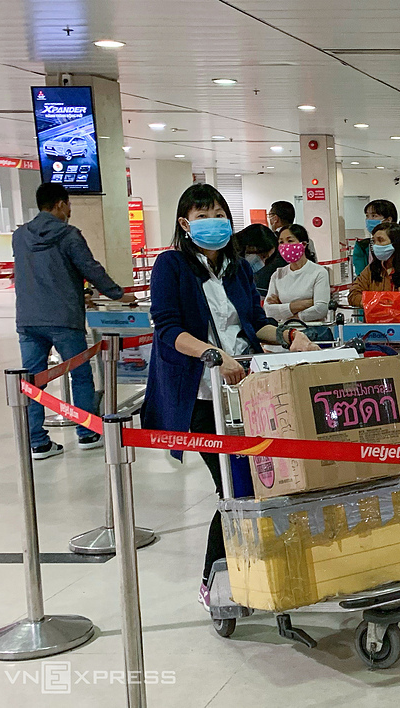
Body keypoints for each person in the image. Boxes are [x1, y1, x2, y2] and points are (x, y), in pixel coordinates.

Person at [141, 183, 317, 606]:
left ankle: (262, 566)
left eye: (219, 214)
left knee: (267, 480)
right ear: (185, 224)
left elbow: (255, 322)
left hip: (248, 391)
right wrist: (213, 354)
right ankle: (214, 581)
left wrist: (289, 335)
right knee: (235, 486)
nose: (213, 223)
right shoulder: (171, 265)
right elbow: (167, 329)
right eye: (202, 216)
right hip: (201, 395)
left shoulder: (236, 268)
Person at [14, 182, 137, 459]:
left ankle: (37, 442)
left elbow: (38, 274)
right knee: (80, 376)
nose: (69, 211)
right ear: (60, 204)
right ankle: (86, 432)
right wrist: (118, 294)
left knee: (32, 382)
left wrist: (79, 293)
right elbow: (90, 269)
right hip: (63, 319)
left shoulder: (20, 236)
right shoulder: (69, 235)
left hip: (28, 319)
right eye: (68, 205)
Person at [264, 223, 332, 340]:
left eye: (290, 241)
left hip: (312, 335)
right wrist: (303, 304)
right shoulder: (278, 275)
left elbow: (320, 309)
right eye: (281, 242)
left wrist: (286, 311)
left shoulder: (319, 272)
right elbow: (269, 310)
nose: (285, 246)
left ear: (304, 244)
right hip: (285, 335)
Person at [236, 223, 285, 296]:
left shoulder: (247, 277)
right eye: (263, 256)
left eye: (266, 259)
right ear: (248, 247)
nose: (263, 263)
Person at [354, 199, 398, 277]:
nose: (369, 220)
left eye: (374, 216)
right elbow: (361, 275)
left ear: (388, 220)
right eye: (367, 216)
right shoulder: (362, 246)